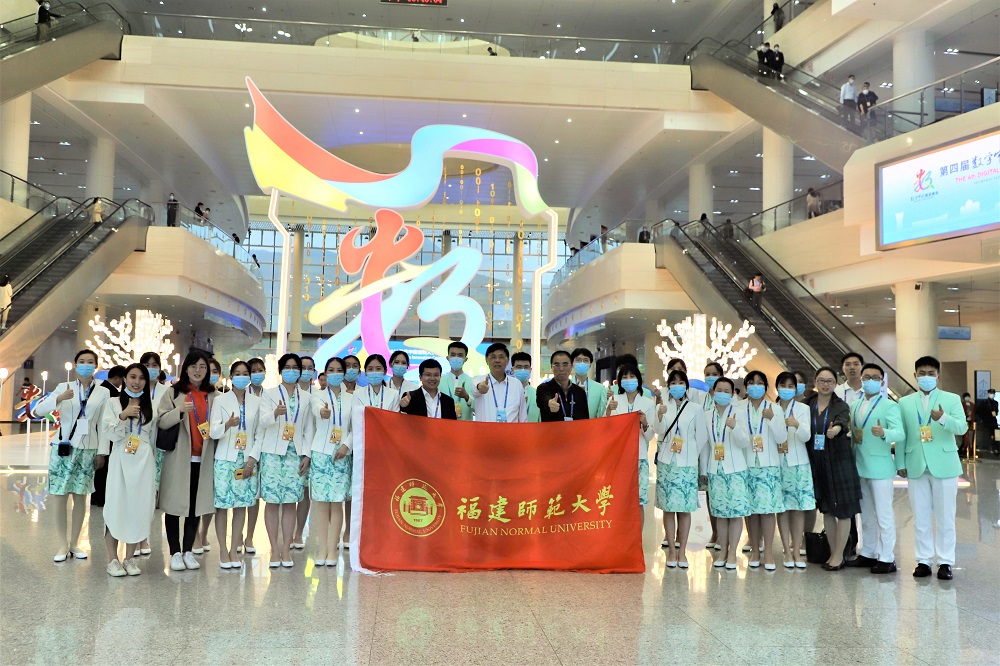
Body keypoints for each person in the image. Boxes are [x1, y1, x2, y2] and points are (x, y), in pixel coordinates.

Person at [35, 350, 111, 562]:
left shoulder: (103, 392)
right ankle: (62, 544)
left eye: (90, 362)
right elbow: (39, 410)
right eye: (82, 362)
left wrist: (102, 452)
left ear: (96, 366)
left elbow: (103, 425)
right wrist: (58, 399)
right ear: (75, 365)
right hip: (63, 448)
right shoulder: (63, 387)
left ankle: (75, 543)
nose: (86, 365)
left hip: (88, 450)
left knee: (81, 496)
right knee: (60, 496)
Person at [897, 356, 968, 580]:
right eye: (921, 373)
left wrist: (944, 418)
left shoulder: (951, 399)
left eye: (930, 373)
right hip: (915, 464)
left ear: (938, 375)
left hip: (944, 465)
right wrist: (900, 462)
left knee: (946, 517)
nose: (926, 377)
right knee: (920, 516)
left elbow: (962, 427)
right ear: (915, 375)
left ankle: (945, 561)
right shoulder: (904, 402)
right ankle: (924, 560)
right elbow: (902, 434)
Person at [248, 353, 313, 568]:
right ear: (280, 371)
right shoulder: (269, 394)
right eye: (288, 367)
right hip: (272, 454)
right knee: (273, 503)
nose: (292, 371)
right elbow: (262, 422)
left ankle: (286, 549)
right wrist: (275, 413)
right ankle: (274, 549)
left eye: (295, 368)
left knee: (290, 502)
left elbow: (308, 429)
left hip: (295, 454)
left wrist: (307, 455)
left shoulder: (306, 397)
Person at [157, 351, 217, 572]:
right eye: (193, 366)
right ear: (186, 369)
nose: (198, 370)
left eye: (202, 366)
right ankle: (174, 552)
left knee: (195, 506)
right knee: (173, 506)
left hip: (203, 458)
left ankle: (188, 550)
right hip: (179, 457)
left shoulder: (214, 395)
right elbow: (161, 421)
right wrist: (179, 411)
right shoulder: (173, 392)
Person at [100, 363, 159, 577]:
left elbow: (152, 437)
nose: (137, 382)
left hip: (143, 460)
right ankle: (112, 559)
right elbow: (109, 434)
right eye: (132, 377)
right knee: (116, 506)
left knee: (138, 507)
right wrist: (123, 416)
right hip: (120, 459)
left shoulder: (151, 405)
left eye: (141, 378)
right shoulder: (113, 403)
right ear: (124, 379)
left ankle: (129, 558)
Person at [845, 363, 904, 574]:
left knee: (883, 514)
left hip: (880, 467)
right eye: (867, 377)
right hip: (859, 465)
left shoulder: (889, 406)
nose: (870, 381)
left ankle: (887, 557)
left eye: (875, 377)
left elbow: (900, 433)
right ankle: (868, 552)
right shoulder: (854, 405)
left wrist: (885, 433)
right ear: (861, 380)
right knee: (866, 514)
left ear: (881, 381)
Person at [209, 361, 262, 570]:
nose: (241, 377)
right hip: (225, 460)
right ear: (231, 377)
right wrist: (227, 425)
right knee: (222, 506)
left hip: (246, 461)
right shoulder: (220, 400)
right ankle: (223, 549)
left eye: (245, 373)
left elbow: (259, 434)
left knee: (241, 505)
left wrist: (252, 460)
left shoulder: (256, 402)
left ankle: (234, 549)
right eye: (237, 373)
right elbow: (213, 432)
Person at [805, 366, 859, 571]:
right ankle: (833, 552)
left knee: (843, 510)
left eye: (829, 381)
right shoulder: (807, 404)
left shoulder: (840, 405)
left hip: (838, 461)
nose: (825, 384)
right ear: (815, 382)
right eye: (821, 380)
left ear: (835, 384)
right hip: (817, 462)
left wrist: (836, 429)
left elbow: (842, 421)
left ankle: (839, 555)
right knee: (827, 509)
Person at [734, 371, 787, 570]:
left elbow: (782, 438)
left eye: (759, 383)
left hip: (768, 465)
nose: (755, 386)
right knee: (751, 511)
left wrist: (772, 419)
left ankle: (769, 552)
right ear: (745, 387)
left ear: (765, 387)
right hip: (746, 464)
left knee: (767, 511)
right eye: (751, 383)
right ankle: (755, 550)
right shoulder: (738, 408)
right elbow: (737, 438)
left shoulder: (775, 408)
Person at [655, 369, 708, 568]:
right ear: (668, 386)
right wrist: (659, 416)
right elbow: (658, 431)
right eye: (673, 382)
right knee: (668, 509)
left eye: (680, 382)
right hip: (667, 463)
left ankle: (682, 551)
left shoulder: (695, 408)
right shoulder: (663, 406)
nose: (677, 386)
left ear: (686, 386)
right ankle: (671, 550)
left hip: (687, 465)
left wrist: (690, 453)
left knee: (685, 509)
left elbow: (701, 436)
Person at [307, 357, 355, 567]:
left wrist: (346, 445)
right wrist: (323, 411)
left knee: (337, 503)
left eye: (338, 370)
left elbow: (356, 427)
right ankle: (322, 548)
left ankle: (333, 550)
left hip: (342, 455)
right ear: (325, 373)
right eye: (331, 370)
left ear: (344, 374)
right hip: (321, 453)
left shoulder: (352, 398)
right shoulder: (316, 396)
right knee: (321, 504)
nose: (335, 373)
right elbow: (317, 409)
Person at [698, 377, 749, 569]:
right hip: (715, 470)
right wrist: (703, 470)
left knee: (735, 513)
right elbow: (705, 446)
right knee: (720, 513)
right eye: (719, 390)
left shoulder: (739, 413)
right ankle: (723, 552)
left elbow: (745, 442)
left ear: (733, 393)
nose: (722, 394)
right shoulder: (706, 415)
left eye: (727, 391)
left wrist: (735, 428)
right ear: (713, 392)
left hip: (735, 470)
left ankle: (733, 553)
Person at [606, 364, 657, 526]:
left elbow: (649, 436)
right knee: (619, 500)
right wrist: (608, 412)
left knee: (638, 501)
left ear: (638, 379)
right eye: (625, 377)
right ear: (620, 381)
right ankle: (620, 535)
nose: (628, 380)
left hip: (639, 458)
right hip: (619, 458)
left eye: (632, 376)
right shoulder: (614, 401)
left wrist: (645, 423)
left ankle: (638, 537)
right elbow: (606, 430)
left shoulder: (648, 403)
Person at [773, 371, 814, 569]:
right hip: (777, 463)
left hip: (798, 464)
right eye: (783, 385)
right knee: (782, 509)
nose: (787, 389)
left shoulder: (803, 408)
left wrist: (797, 424)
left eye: (791, 386)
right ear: (777, 387)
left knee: (798, 509)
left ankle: (797, 550)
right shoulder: (771, 409)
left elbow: (806, 437)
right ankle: (786, 551)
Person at [91, 365, 126, 508]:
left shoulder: (103, 389)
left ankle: (97, 497)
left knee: (101, 469)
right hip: (107, 434)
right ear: (118, 378)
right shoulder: (110, 393)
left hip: (103, 434)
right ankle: (100, 497)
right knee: (103, 468)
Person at [701, 362, 725, 551]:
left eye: (714, 374)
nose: (711, 377)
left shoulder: (730, 399)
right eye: (707, 374)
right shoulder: (701, 399)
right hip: (707, 453)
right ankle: (715, 532)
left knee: (726, 494)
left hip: (727, 454)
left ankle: (725, 535)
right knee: (710, 494)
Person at [473, 343, 527, 423]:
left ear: (507, 361)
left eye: (501, 357)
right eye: (493, 357)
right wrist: (479, 387)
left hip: (511, 431)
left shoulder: (516, 384)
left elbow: (523, 416)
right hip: (485, 430)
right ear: (486, 360)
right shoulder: (478, 380)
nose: (497, 360)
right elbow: (475, 389)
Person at [536, 351, 590, 422]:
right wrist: (549, 404)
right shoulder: (543, 388)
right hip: (551, 429)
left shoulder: (580, 392)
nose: (561, 369)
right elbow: (544, 399)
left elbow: (585, 420)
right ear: (551, 367)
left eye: (565, 364)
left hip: (575, 429)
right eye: (557, 365)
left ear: (571, 367)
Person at [439, 341, 476, 420]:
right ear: (448, 358)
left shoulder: (473, 382)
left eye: (460, 355)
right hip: (444, 425)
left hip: (465, 425)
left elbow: (478, 408)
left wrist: (467, 397)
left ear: (465, 359)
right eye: (453, 355)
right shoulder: (439, 381)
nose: (456, 358)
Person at [570, 348, 608, 419]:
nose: (582, 363)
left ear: (590, 365)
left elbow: (600, 414)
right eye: (578, 360)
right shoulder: (565, 387)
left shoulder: (599, 388)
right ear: (572, 364)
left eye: (585, 360)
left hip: (592, 424)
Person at [511, 352, 541, 423]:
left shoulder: (537, 394)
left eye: (526, 367)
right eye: (519, 367)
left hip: (533, 429)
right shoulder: (506, 393)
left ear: (530, 370)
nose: (523, 370)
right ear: (512, 369)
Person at [976, 388, 997, 455]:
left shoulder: (995, 403)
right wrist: (983, 418)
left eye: (993, 393)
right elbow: (978, 411)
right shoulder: (984, 402)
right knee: (986, 435)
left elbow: (996, 411)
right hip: (986, 421)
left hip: (993, 421)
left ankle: (994, 448)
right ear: (988, 394)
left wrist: (995, 413)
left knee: (994, 435)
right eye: (990, 393)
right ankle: (985, 448)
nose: (992, 395)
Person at [960, 393, 974, 458]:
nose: (967, 398)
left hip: (971, 422)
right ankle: (964, 448)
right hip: (964, 421)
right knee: (965, 436)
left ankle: (970, 449)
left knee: (970, 436)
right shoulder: (961, 404)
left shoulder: (972, 404)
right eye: (966, 397)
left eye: (968, 396)